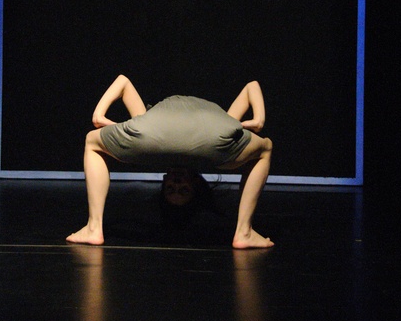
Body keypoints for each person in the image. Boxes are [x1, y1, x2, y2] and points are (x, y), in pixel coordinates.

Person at [66, 75, 273, 249]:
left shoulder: (147, 128)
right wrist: (259, 119)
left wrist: (99, 115)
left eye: (171, 188)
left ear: (164, 181)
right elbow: (252, 86)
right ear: (196, 184)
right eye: (183, 190)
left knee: (92, 141)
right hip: (213, 139)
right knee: (265, 149)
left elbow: (123, 82)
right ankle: (244, 231)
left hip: (151, 136)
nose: (177, 182)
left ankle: (94, 227)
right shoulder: (223, 131)